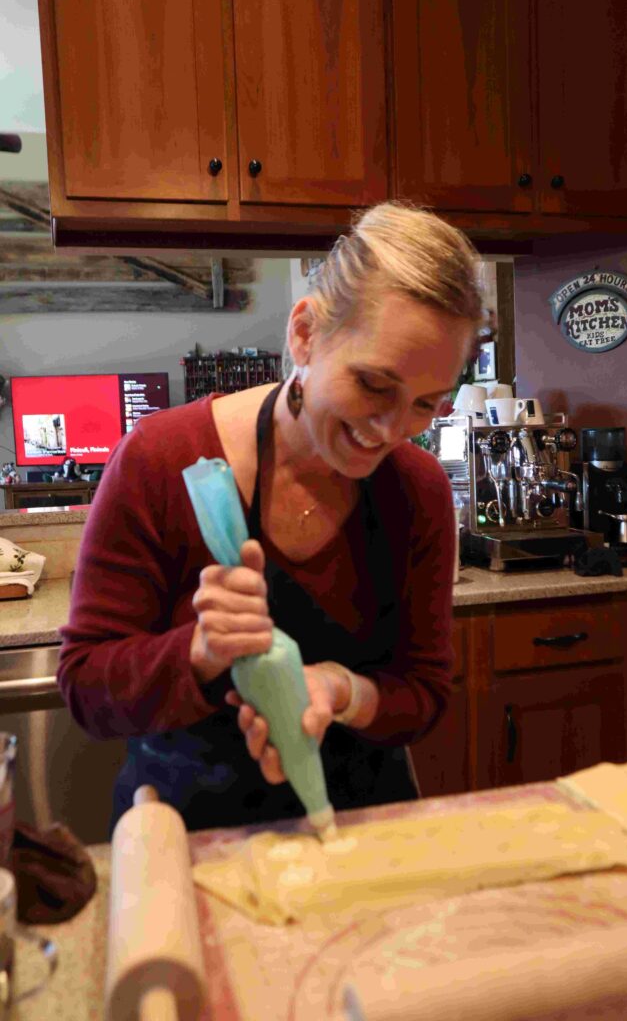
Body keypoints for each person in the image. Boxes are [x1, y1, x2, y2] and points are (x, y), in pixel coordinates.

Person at [57, 202, 483, 833]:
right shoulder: (161, 460)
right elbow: (87, 689)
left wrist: (342, 690)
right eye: (373, 385)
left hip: (360, 828)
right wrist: (200, 650)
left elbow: (423, 691)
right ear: (305, 334)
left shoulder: (417, 491)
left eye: (426, 404)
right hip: (189, 838)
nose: (392, 429)